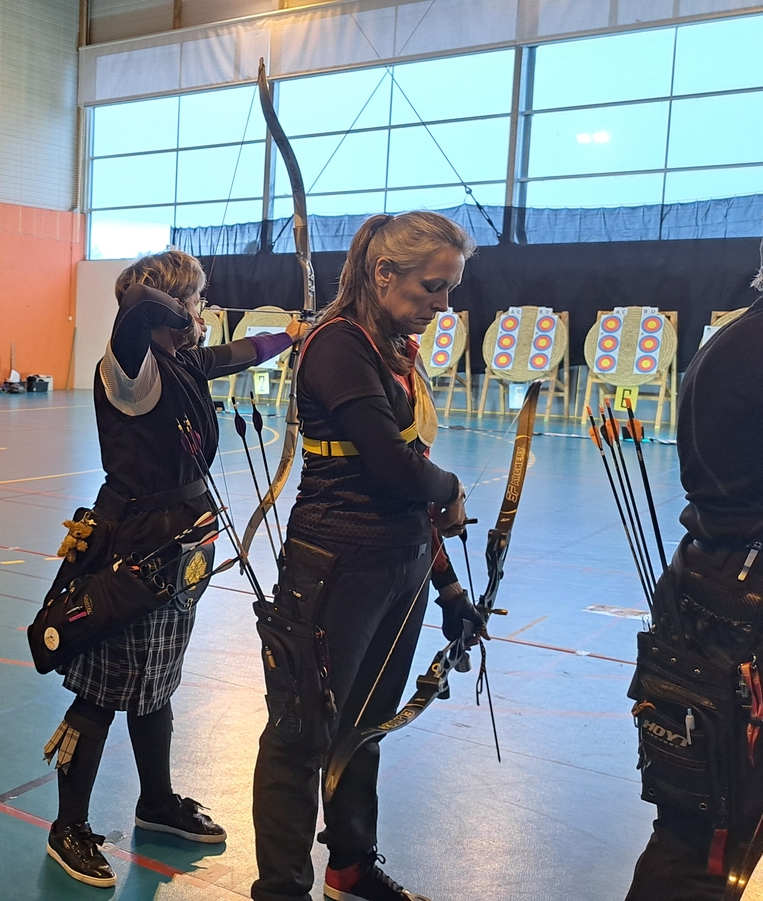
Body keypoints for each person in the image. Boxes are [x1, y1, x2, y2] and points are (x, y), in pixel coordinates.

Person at [42, 250, 303, 889]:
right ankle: (67, 826)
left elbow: (237, 354)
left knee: (156, 680)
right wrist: (173, 303)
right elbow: (137, 308)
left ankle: (155, 804)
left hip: (178, 545)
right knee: (104, 688)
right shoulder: (128, 368)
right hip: (130, 552)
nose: (204, 314)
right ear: (171, 309)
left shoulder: (181, 361)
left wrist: (290, 335)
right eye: (196, 302)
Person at [250, 212, 476, 901]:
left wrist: (447, 588)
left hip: (399, 565)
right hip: (335, 566)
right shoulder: (338, 345)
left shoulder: (396, 348)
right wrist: (451, 487)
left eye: (450, 288)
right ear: (383, 274)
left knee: (365, 727)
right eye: (433, 287)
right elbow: (393, 467)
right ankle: (282, 891)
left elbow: (412, 483)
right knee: (301, 735)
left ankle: (349, 868)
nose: (444, 304)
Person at [622, 168, 763, 899]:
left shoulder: (746, 334)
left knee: (708, 829)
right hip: (752, 617)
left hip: (718, 593)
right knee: (710, 840)